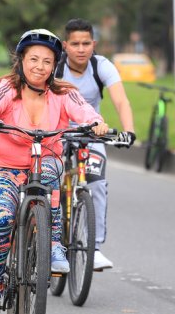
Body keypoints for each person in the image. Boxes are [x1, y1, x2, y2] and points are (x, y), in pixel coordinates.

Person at [0, 29, 109, 314]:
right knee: (2, 219)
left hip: (47, 158)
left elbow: (85, 112)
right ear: (21, 61)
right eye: (33, 59)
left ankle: (54, 244)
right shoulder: (7, 88)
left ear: (54, 66)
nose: (39, 67)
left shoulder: (65, 92)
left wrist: (96, 123)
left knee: (53, 172)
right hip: (7, 166)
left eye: (47, 61)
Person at [56, 18, 136, 270]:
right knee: (46, 185)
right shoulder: (54, 68)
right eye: (75, 44)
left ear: (94, 44)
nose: (81, 49)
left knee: (97, 183)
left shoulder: (101, 66)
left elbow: (121, 101)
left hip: (91, 134)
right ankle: (46, 240)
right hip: (55, 133)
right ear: (65, 46)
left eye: (86, 43)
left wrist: (129, 131)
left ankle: (95, 248)